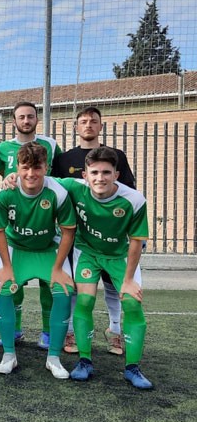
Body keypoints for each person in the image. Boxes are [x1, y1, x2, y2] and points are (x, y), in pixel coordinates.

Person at [58, 147, 152, 389]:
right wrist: (12, 178)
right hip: (87, 252)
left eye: (106, 172)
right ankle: (84, 362)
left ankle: (132, 368)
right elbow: (42, 180)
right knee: (85, 302)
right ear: (85, 175)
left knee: (132, 302)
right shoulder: (74, 187)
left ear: (116, 175)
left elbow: (136, 241)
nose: (100, 178)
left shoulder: (134, 199)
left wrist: (129, 279)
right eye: (95, 172)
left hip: (120, 256)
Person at [52, 106, 137, 356]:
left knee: (112, 284)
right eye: (83, 121)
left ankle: (115, 331)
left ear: (101, 126)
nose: (88, 125)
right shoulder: (63, 159)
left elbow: (128, 192)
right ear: (76, 127)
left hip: (110, 236)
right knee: (79, 285)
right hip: (77, 236)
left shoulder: (116, 155)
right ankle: (71, 332)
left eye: (93, 121)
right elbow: (54, 190)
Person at [0, 142, 76, 378]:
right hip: (15, 248)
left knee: (62, 292)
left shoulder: (57, 192)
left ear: (46, 167)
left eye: (37, 167)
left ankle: (54, 358)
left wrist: (58, 268)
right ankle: (9, 354)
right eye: (25, 167)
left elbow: (68, 231)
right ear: (17, 167)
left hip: (48, 249)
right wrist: (6, 267)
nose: (31, 174)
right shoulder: (6, 193)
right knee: (3, 289)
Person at [0, 101, 62, 349]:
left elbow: (60, 175)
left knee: (50, 286)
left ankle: (48, 334)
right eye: (21, 117)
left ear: (36, 119)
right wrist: (10, 178)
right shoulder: (3, 148)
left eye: (31, 116)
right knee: (10, 285)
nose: (26, 120)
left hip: (44, 224)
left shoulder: (50, 145)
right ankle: (15, 330)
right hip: (16, 221)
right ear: (14, 121)